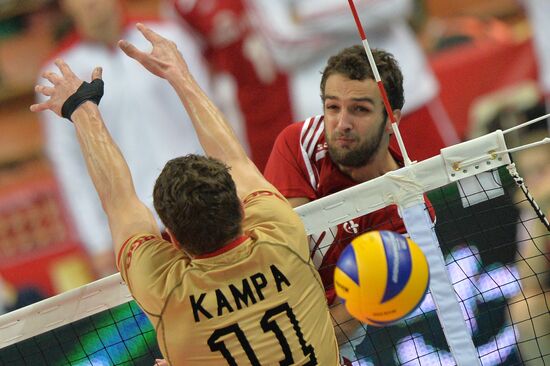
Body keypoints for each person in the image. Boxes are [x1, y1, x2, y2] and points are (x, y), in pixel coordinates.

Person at [31, 23, 339, 365]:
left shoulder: (165, 290)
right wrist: (180, 75)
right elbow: (234, 159)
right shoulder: (282, 234)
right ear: (239, 207)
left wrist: (82, 109)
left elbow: (119, 202)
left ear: (172, 238)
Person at [264, 45, 434, 363]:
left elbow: (345, 322)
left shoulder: (411, 216)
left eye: (359, 110)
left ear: (391, 119)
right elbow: (284, 263)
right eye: (332, 107)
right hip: (260, 310)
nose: (341, 123)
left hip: (327, 345)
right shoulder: (300, 143)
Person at [37, 0, 210, 277]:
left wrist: (230, 183)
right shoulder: (59, 75)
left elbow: (207, 110)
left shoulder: (168, 39)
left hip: (200, 202)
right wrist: (97, 241)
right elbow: (69, 165)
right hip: (135, 228)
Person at [248, 0, 460, 161]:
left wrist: (305, 17)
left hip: (405, 100)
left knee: (456, 201)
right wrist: (362, 21)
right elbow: (283, 45)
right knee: (369, 215)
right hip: (331, 123)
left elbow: (397, 4)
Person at [170, 0, 294, 171]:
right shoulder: (180, 8)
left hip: (284, 78)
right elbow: (194, 58)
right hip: (241, 97)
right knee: (261, 166)